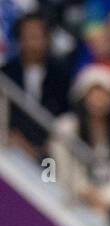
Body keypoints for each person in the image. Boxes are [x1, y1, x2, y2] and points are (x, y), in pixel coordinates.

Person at [52, 65, 110, 221]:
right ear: (83, 96)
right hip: (72, 199)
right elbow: (62, 166)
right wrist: (85, 192)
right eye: (95, 93)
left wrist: (107, 199)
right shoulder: (66, 127)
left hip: (109, 206)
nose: (100, 100)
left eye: (105, 95)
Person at [2, 12, 72, 158]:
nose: (33, 42)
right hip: (12, 145)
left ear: (48, 38)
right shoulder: (5, 75)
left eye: (37, 36)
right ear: (19, 39)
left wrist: (48, 144)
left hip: (51, 149)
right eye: (28, 36)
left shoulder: (62, 75)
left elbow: (66, 113)